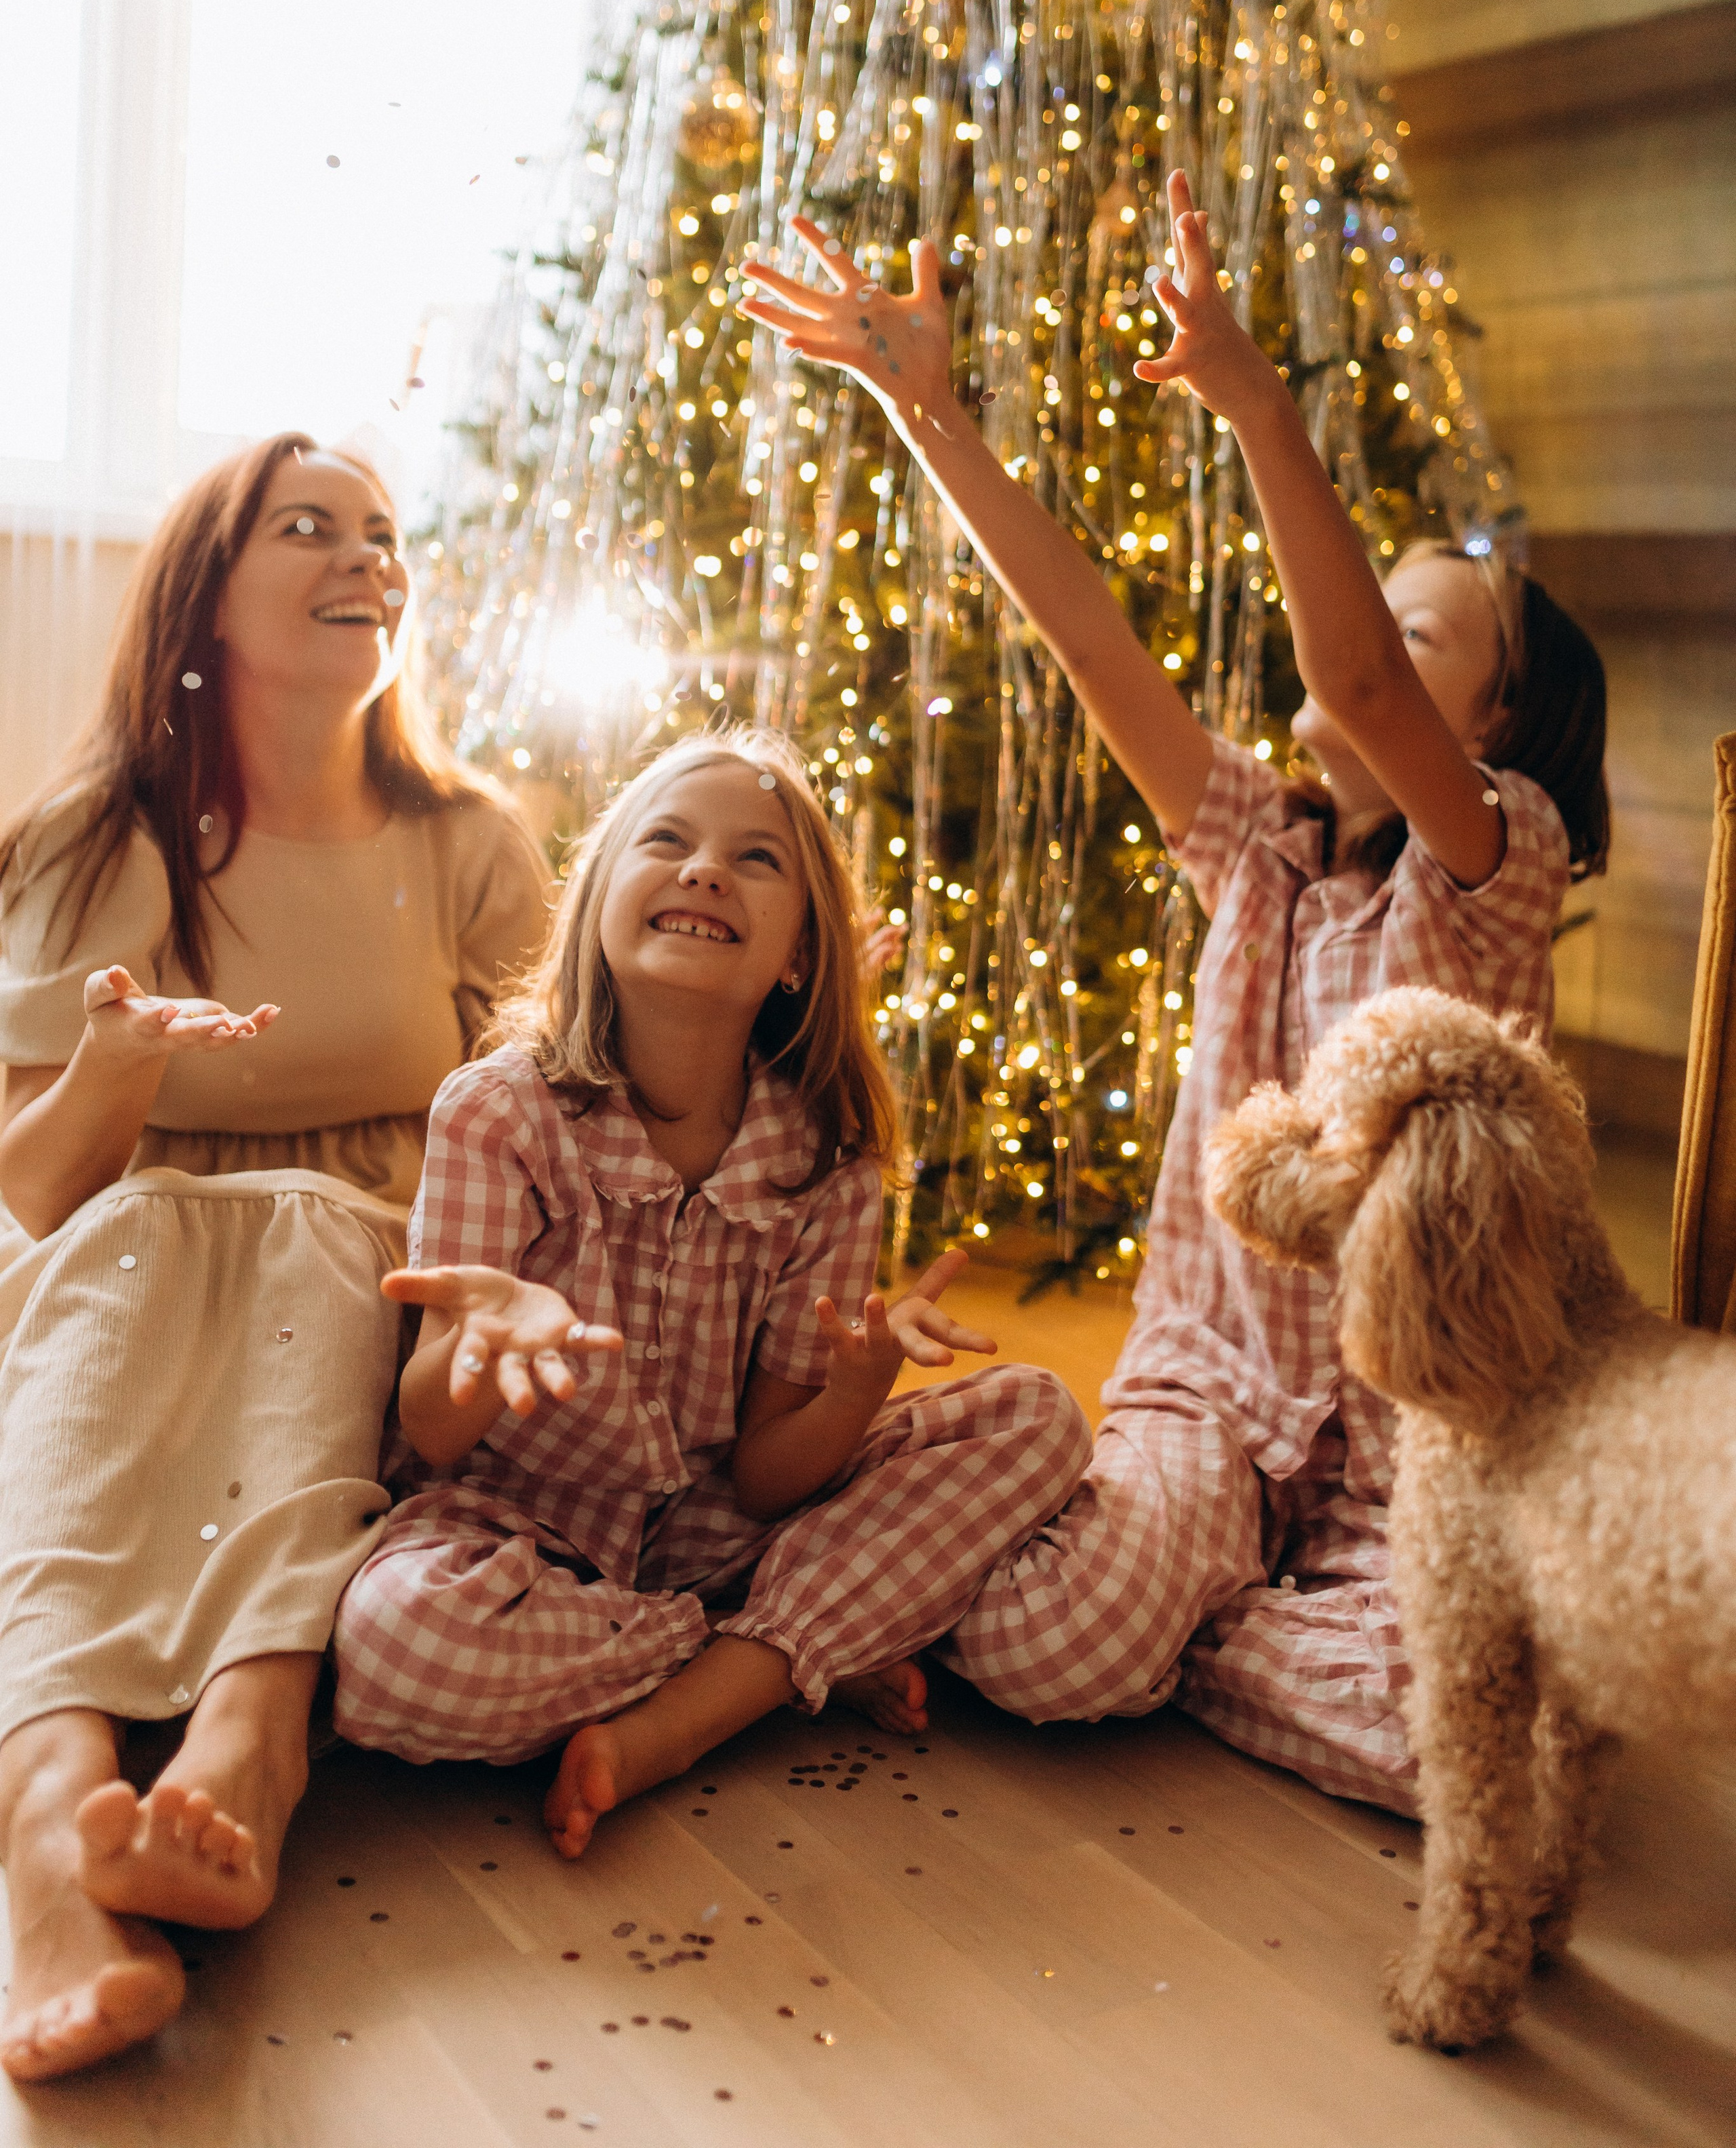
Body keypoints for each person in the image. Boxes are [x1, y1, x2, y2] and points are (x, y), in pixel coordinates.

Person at [738, 173, 1609, 1812]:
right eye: (1380, 611)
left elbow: (1343, 672)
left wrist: (1255, 404)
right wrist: (927, 412)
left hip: (1408, 1434)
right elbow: (1083, 635)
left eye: (1420, 634)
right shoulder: (1251, 849)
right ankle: (1113, 1570)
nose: (1358, 641)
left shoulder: (1499, 866)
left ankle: (1201, 1625)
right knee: (1056, 1650)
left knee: (1456, 1748)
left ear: (1492, 727)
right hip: (1207, 1390)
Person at [0, 435, 550, 2080]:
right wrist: (116, 1065)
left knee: (312, 1241)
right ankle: (47, 1835)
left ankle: (246, 1747)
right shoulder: (96, 835)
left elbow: (553, 1119)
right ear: (203, 597)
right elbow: (32, 1196)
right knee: (148, 1250)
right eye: (306, 527)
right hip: (121, 1247)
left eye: (384, 534)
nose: (365, 556)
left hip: (371, 1255)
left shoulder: (469, 842)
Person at [332, 725, 1090, 1854]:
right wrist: (484, 1346)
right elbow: (434, 1435)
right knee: (399, 1652)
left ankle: (698, 1704)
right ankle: (764, 1668)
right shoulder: (499, 1113)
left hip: (719, 1526)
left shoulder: (828, 1160)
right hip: (513, 1530)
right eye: (669, 840)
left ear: (797, 954)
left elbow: (770, 1473)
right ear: (597, 906)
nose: (704, 869)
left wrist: (849, 1394)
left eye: (757, 859)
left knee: (1040, 1417)